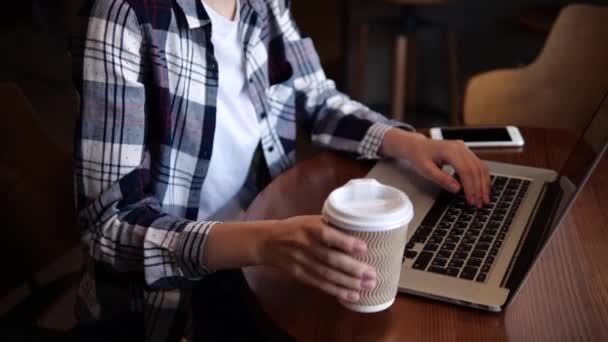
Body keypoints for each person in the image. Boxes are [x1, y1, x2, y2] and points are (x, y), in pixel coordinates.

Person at [71, 0, 490, 340]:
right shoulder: (122, 16)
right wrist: (264, 242)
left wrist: (408, 143)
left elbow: (313, 96)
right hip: (163, 304)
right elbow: (109, 224)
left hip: (262, 255)